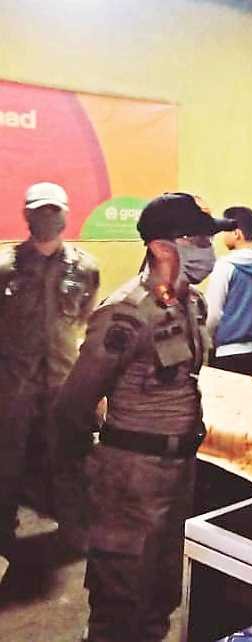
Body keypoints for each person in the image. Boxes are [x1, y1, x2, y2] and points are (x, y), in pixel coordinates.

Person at [56, 192, 235, 642]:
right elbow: (74, 402)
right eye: (196, 239)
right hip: (130, 478)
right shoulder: (126, 313)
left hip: (179, 472)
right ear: (160, 246)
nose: (207, 249)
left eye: (208, 239)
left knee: (161, 595)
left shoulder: (191, 305)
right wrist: (93, 470)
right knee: (120, 601)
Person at [0, 182, 99, 567]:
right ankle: (3, 536)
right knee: (6, 465)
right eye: (39, 211)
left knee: (70, 461)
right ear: (26, 215)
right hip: (13, 387)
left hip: (63, 385)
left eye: (53, 211)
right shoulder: (5, 267)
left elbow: (85, 322)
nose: (47, 218)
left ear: (66, 215)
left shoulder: (85, 268)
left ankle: (74, 534)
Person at [205, 206, 252, 380]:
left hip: (229, 355)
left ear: (237, 233)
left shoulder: (225, 266)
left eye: (225, 230)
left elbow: (213, 314)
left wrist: (205, 342)